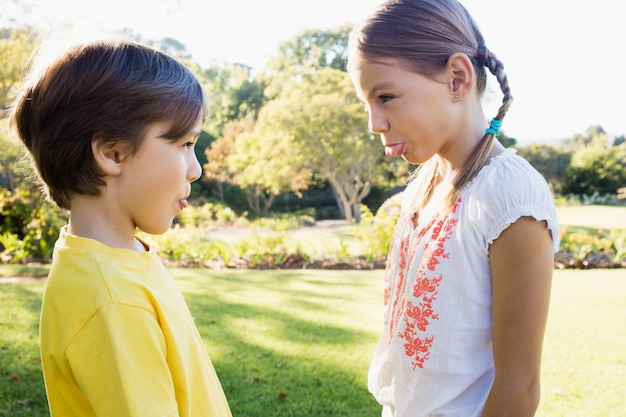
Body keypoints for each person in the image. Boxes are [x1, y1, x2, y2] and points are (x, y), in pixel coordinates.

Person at [347, 0, 559, 416]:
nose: (373, 122)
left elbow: (520, 388)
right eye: (366, 103)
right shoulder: (421, 187)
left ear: (457, 79)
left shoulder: (511, 196)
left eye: (385, 96)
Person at [9, 35, 232, 417]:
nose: (196, 170)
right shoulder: (112, 301)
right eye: (184, 143)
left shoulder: (114, 262)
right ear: (112, 153)